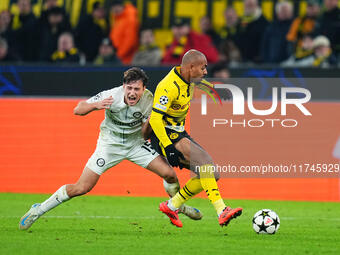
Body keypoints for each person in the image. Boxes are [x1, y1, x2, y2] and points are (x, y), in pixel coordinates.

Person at [19, 67, 202, 230]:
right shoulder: (111, 95)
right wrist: (94, 105)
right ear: (123, 86)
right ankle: (38, 210)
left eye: (136, 89)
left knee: (169, 174)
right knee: (81, 187)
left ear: (143, 89)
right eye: (129, 88)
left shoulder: (150, 101)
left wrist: (152, 121)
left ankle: (177, 206)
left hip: (136, 144)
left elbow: (146, 135)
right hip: (109, 145)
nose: (132, 93)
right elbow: (78, 109)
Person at [149, 50, 242, 228]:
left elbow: (203, 84)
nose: (206, 71)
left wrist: (215, 91)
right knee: (205, 161)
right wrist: (168, 146)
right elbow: (154, 119)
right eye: (203, 67)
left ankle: (171, 206)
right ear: (191, 67)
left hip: (179, 132)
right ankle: (222, 210)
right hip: (164, 134)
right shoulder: (168, 86)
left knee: (212, 174)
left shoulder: (190, 78)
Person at [109, 0, 139, 64]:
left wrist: (118, 55)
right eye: (113, 7)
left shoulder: (130, 18)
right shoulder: (117, 18)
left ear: (122, 6)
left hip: (126, 59)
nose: (115, 9)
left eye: (117, 6)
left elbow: (130, 40)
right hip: (119, 57)